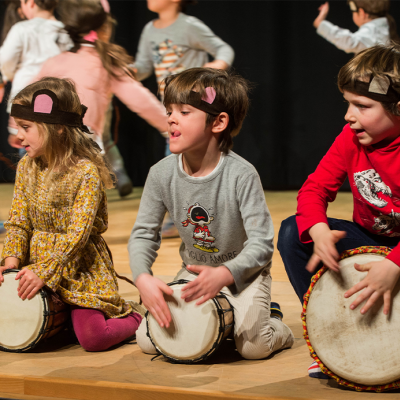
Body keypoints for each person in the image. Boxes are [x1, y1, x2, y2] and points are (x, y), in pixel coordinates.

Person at [128, 68, 295, 360]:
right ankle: (231, 324)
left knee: (253, 348)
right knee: (147, 340)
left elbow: (262, 244)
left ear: (218, 122)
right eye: (169, 110)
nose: (171, 118)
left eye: (184, 111)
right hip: (194, 274)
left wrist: (226, 273)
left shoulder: (241, 175)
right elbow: (144, 234)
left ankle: (274, 321)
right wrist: (142, 277)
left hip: (243, 276)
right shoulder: (160, 173)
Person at [278, 44, 400, 378]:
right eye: (348, 103)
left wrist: (394, 265)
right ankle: (334, 337)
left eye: (362, 105)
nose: (349, 115)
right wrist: (317, 229)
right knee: (293, 232)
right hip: (371, 239)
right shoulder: (350, 137)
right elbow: (314, 188)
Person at [0, 77, 143, 352]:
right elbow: (18, 221)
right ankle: (63, 323)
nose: (19, 136)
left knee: (94, 338)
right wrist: (12, 260)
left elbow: (78, 235)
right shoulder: (26, 168)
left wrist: (46, 270)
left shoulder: (85, 173)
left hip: (76, 266)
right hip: (35, 264)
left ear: (57, 129)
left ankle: (136, 317)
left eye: (26, 127)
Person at [35, 0, 169, 196]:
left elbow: (28, 98)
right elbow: (141, 100)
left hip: (54, 150)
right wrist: (170, 125)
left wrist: (16, 127)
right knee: (80, 212)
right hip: (83, 154)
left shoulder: (54, 63)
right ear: (104, 29)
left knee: (54, 208)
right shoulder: (106, 64)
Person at [135, 0, 235, 237]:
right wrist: (125, 70)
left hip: (195, 108)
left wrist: (217, 64)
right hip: (172, 110)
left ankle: (200, 217)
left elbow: (223, 48)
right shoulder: (150, 29)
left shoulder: (189, 26)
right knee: (179, 162)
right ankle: (185, 218)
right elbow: (143, 67)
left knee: (184, 160)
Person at [0, 0, 72, 150]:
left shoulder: (21, 29)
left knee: (27, 151)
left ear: (31, 3)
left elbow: (5, 60)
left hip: (25, 100)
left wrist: (8, 75)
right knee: (53, 147)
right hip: (56, 100)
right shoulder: (65, 31)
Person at [313, 0, 399, 54]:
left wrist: (320, 24)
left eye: (353, 11)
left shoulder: (373, 30)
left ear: (361, 13)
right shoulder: (383, 27)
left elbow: (350, 42)